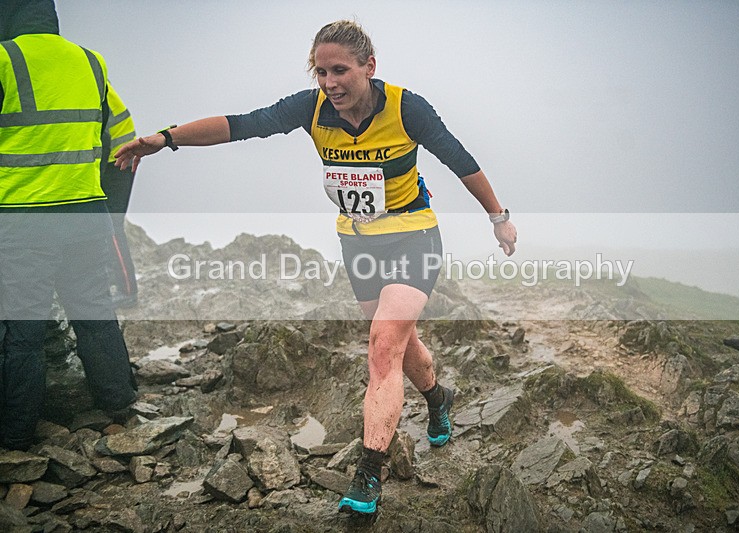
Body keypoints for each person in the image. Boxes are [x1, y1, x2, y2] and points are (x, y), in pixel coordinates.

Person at [115, 19, 517, 514]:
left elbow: (461, 161)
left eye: (341, 71)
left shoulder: (407, 108)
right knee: (399, 341)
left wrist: (499, 219)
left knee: (381, 347)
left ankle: (368, 476)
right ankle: (438, 398)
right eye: (321, 72)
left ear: (370, 67)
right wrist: (166, 138)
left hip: (414, 236)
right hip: (358, 241)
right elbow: (242, 124)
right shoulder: (311, 109)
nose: (330, 83)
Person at [0, 0, 137, 450]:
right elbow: (124, 142)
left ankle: (15, 434)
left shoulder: (4, 59)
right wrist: (110, 213)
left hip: (23, 220)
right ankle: (119, 403)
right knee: (94, 312)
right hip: (84, 213)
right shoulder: (89, 61)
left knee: (22, 331)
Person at [101, 83, 139, 308]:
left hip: (117, 159)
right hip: (118, 153)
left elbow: (103, 137)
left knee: (111, 224)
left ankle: (127, 291)